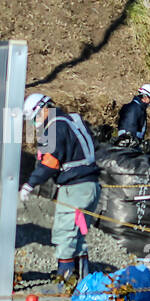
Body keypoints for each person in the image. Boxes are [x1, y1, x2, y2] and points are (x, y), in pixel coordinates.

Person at [20, 92, 100, 279]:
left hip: (74, 189)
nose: (35, 123)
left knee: (64, 234)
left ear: (45, 109)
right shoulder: (73, 121)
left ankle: (64, 282)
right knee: (77, 236)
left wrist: (30, 184)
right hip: (90, 186)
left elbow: (50, 162)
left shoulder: (55, 128)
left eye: (36, 118)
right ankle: (82, 281)